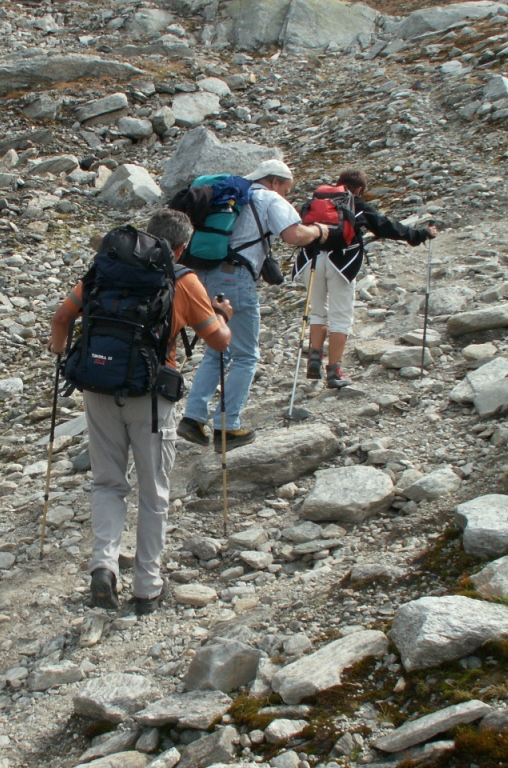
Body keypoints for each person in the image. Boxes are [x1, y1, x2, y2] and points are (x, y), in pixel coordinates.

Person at [48, 209, 232, 614]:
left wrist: (59, 351)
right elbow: (219, 342)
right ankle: (147, 587)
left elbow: (62, 317)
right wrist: (222, 315)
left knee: (107, 482)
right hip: (150, 396)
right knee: (153, 491)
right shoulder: (183, 280)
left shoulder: (105, 269)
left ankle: (104, 564)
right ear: (181, 247)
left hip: (98, 388)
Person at [177, 159, 329, 450]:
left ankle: (193, 418)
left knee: (217, 348)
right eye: (286, 188)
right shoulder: (269, 198)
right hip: (234, 277)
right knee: (246, 355)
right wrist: (319, 232)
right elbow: (293, 235)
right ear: (275, 181)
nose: (285, 194)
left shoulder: (233, 196)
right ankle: (228, 426)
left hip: (203, 275)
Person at [293, 169, 438, 388]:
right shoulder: (355, 203)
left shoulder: (316, 202)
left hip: (310, 261)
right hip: (341, 263)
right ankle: (334, 372)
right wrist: (419, 235)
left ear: (338, 183)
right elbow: (385, 225)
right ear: (359, 189)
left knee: (317, 312)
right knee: (340, 316)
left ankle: (315, 357)